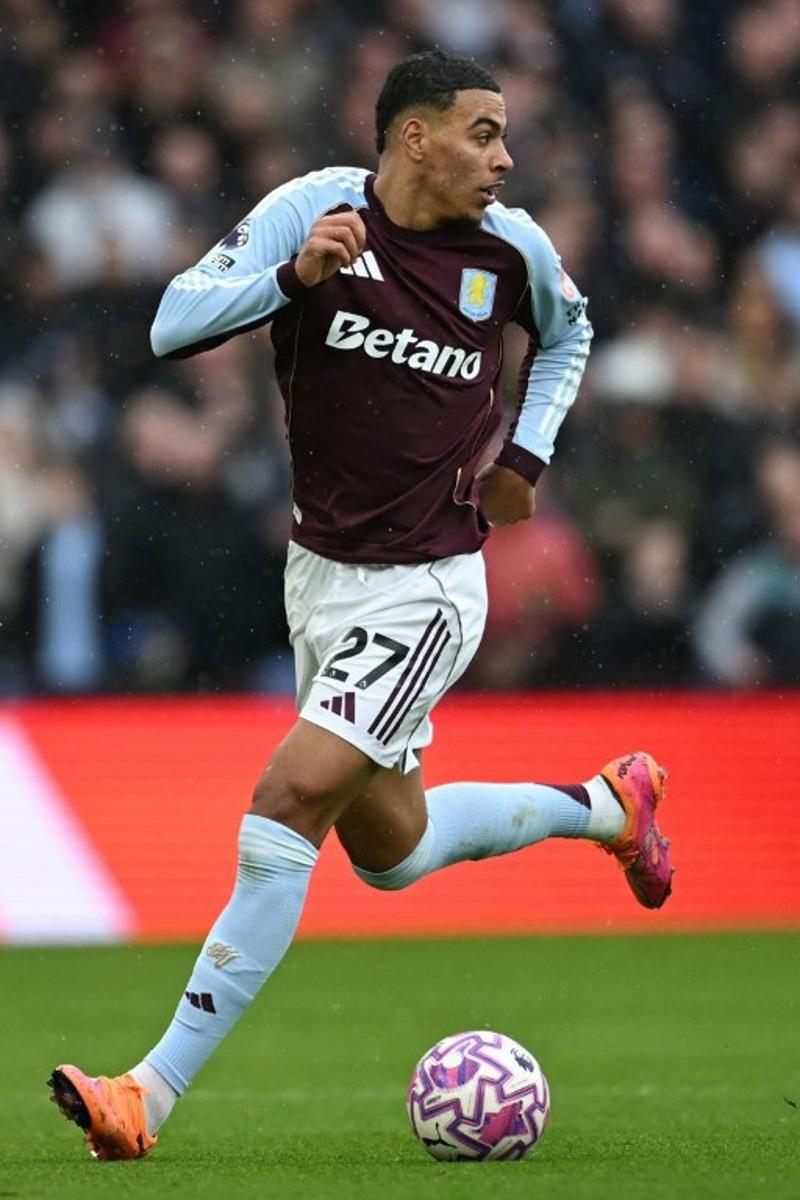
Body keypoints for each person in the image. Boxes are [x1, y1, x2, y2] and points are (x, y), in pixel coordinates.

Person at [49, 50, 673, 1161]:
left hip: (428, 584)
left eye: (505, 136)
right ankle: (608, 807)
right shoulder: (313, 208)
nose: (504, 156)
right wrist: (292, 278)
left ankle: (148, 1090)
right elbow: (171, 321)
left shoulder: (512, 247)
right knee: (391, 851)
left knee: (285, 800)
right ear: (414, 136)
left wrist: (524, 451)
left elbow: (570, 333)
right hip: (322, 577)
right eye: (482, 132)